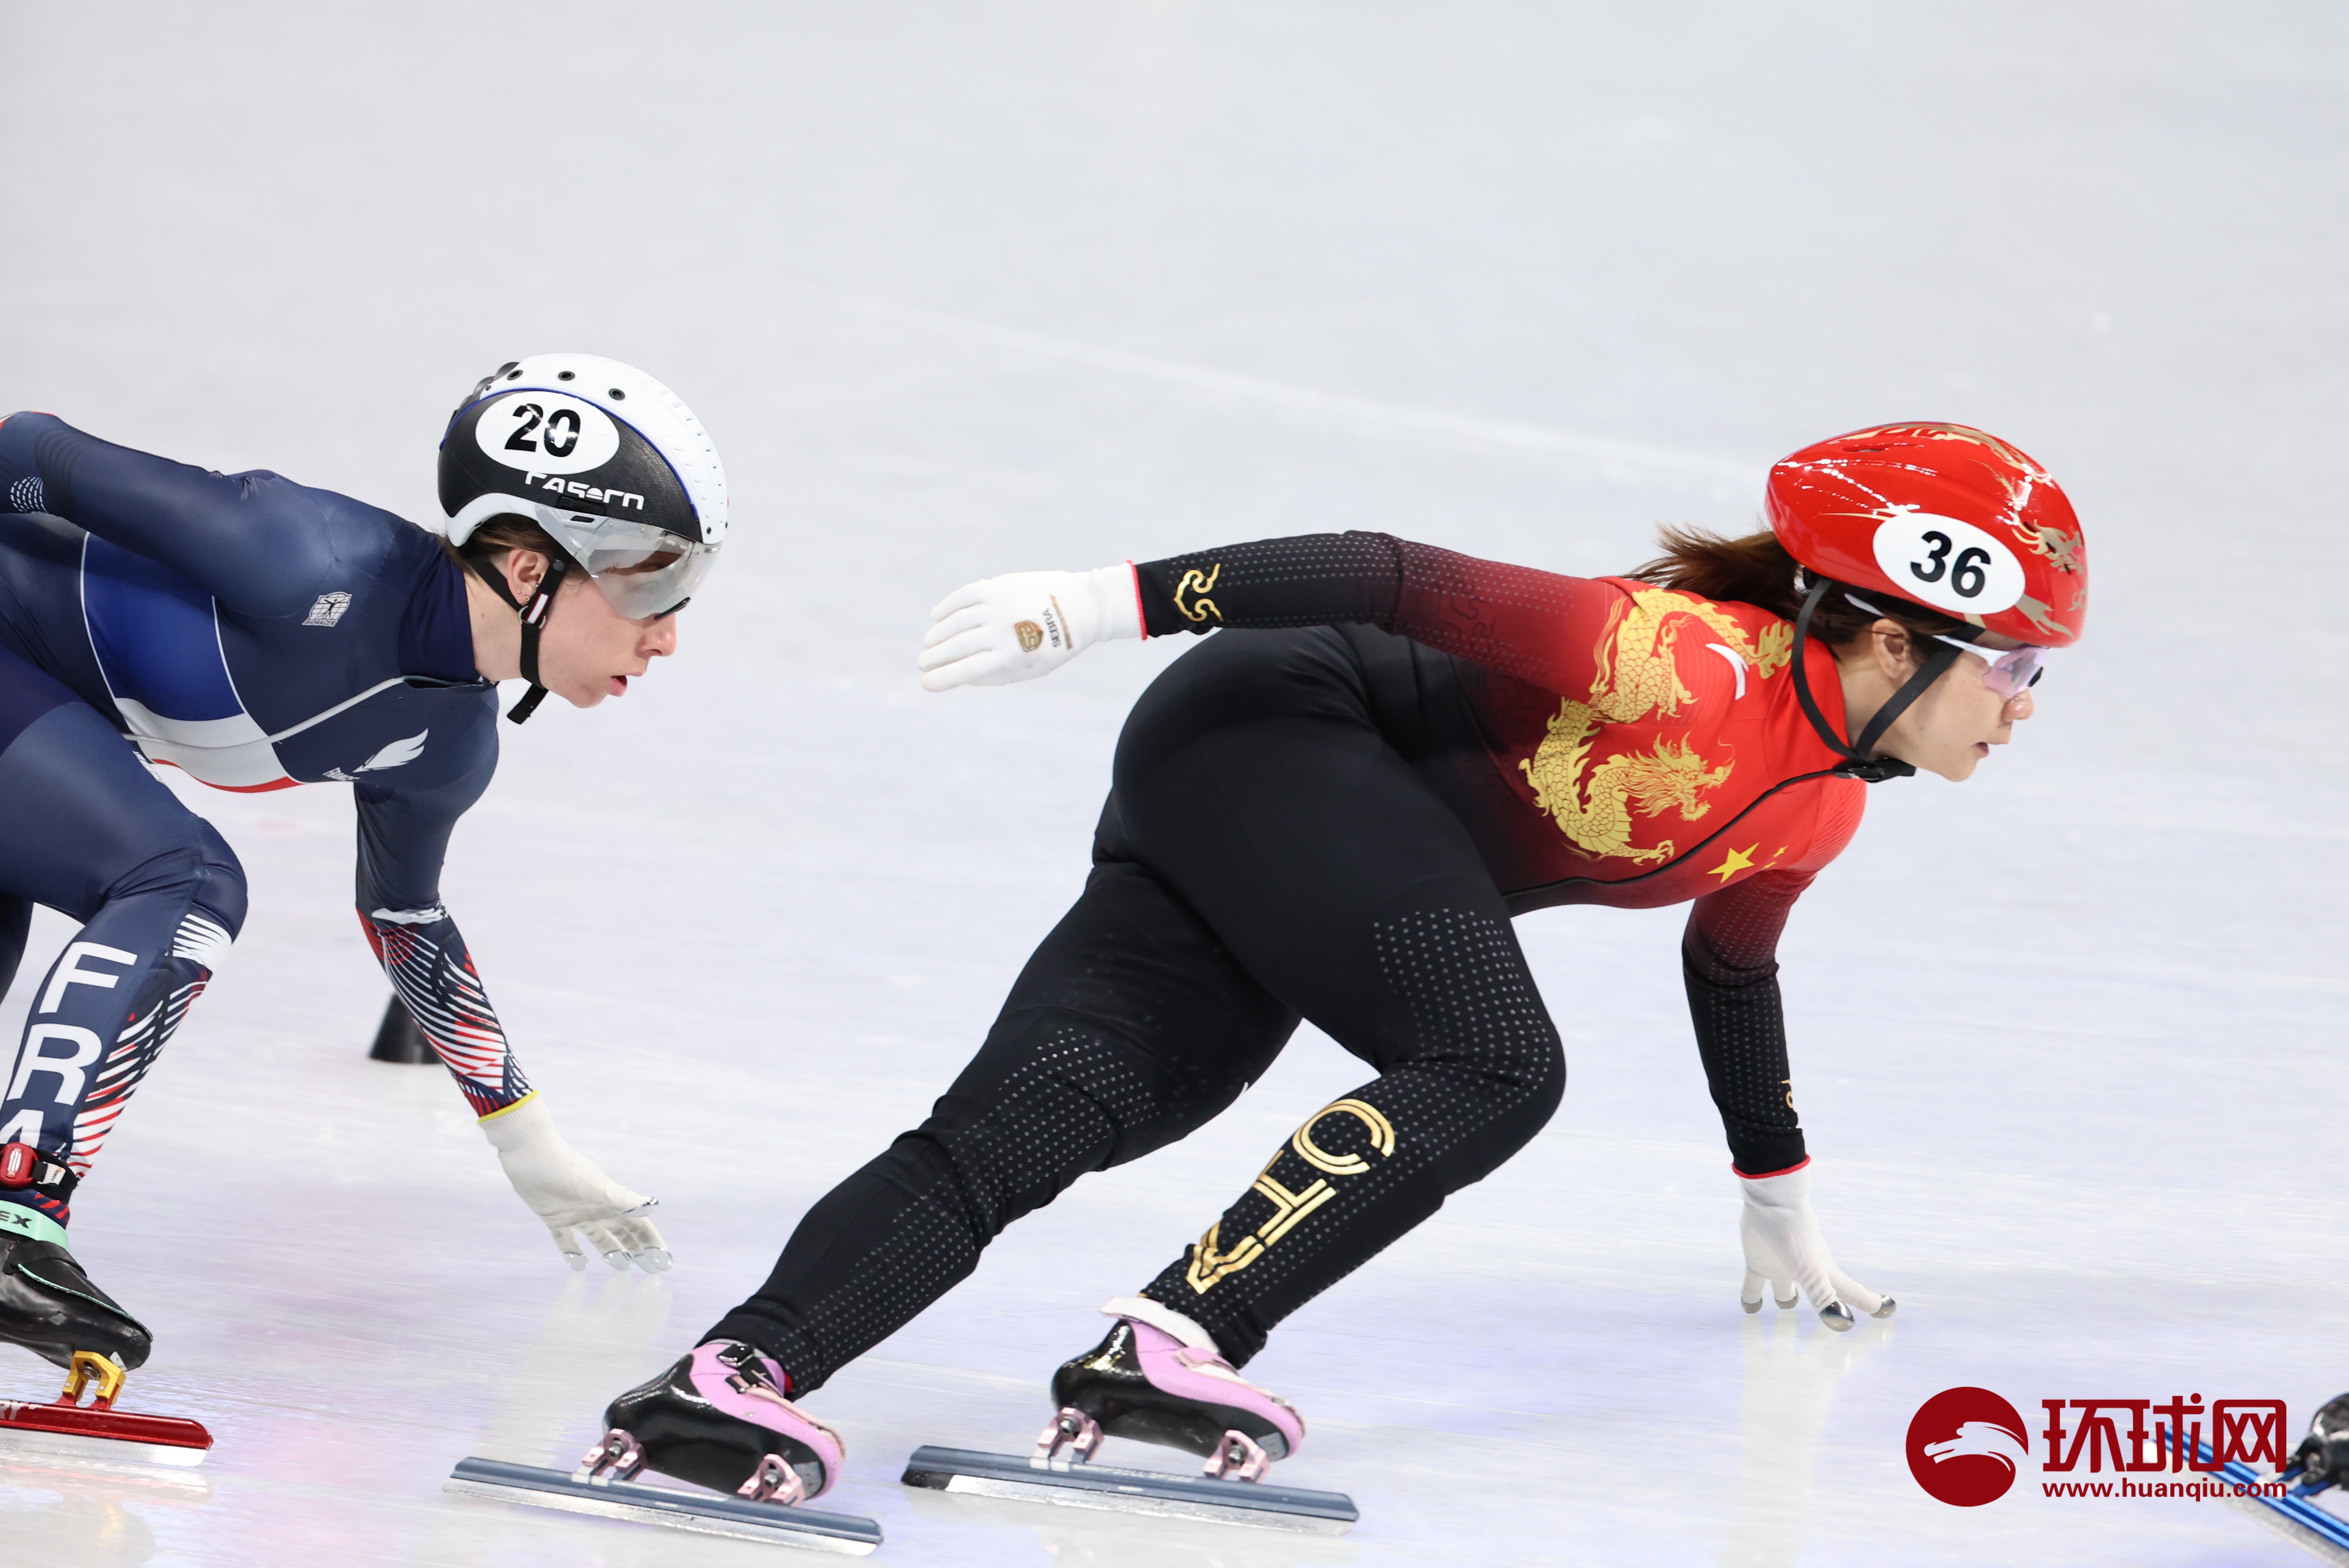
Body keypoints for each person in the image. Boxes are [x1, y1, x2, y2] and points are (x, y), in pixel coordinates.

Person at [589, 422, 2087, 1505]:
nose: (2025, 707)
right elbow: (1389, 574)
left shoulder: (1823, 806)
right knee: (1498, 1063)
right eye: (2015, 666)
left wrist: (1775, 1194)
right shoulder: (1675, 660)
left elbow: (1732, 970)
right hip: (1280, 731)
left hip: (1308, 834)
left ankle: (724, 1384)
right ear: (1893, 642)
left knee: (1066, 1105)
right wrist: (1097, 603)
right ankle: (1175, 1341)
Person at [0, 354, 723, 1393]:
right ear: (531, 570)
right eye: (655, 584)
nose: (666, 634)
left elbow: (404, 915)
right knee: (182, 877)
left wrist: (525, 1137)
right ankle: (19, 1217)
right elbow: (28, 449)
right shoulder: (302, 555)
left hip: (39, 721)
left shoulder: (450, 746)